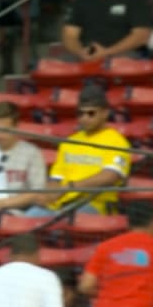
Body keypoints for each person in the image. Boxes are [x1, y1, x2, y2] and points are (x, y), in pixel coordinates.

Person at [27, 84, 130, 217]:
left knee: (64, 220)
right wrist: (48, 194)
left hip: (94, 204)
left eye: (91, 113)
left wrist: (70, 187)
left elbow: (110, 176)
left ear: (105, 113)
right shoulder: (70, 142)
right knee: (28, 218)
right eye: (80, 113)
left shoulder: (116, 141)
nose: (84, 118)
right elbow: (56, 179)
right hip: (60, 204)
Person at [0, 102, 47, 214]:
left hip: (16, 212)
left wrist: (0, 204)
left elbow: (36, 193)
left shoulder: (32, 153)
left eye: (5, 130)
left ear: (16, 127)